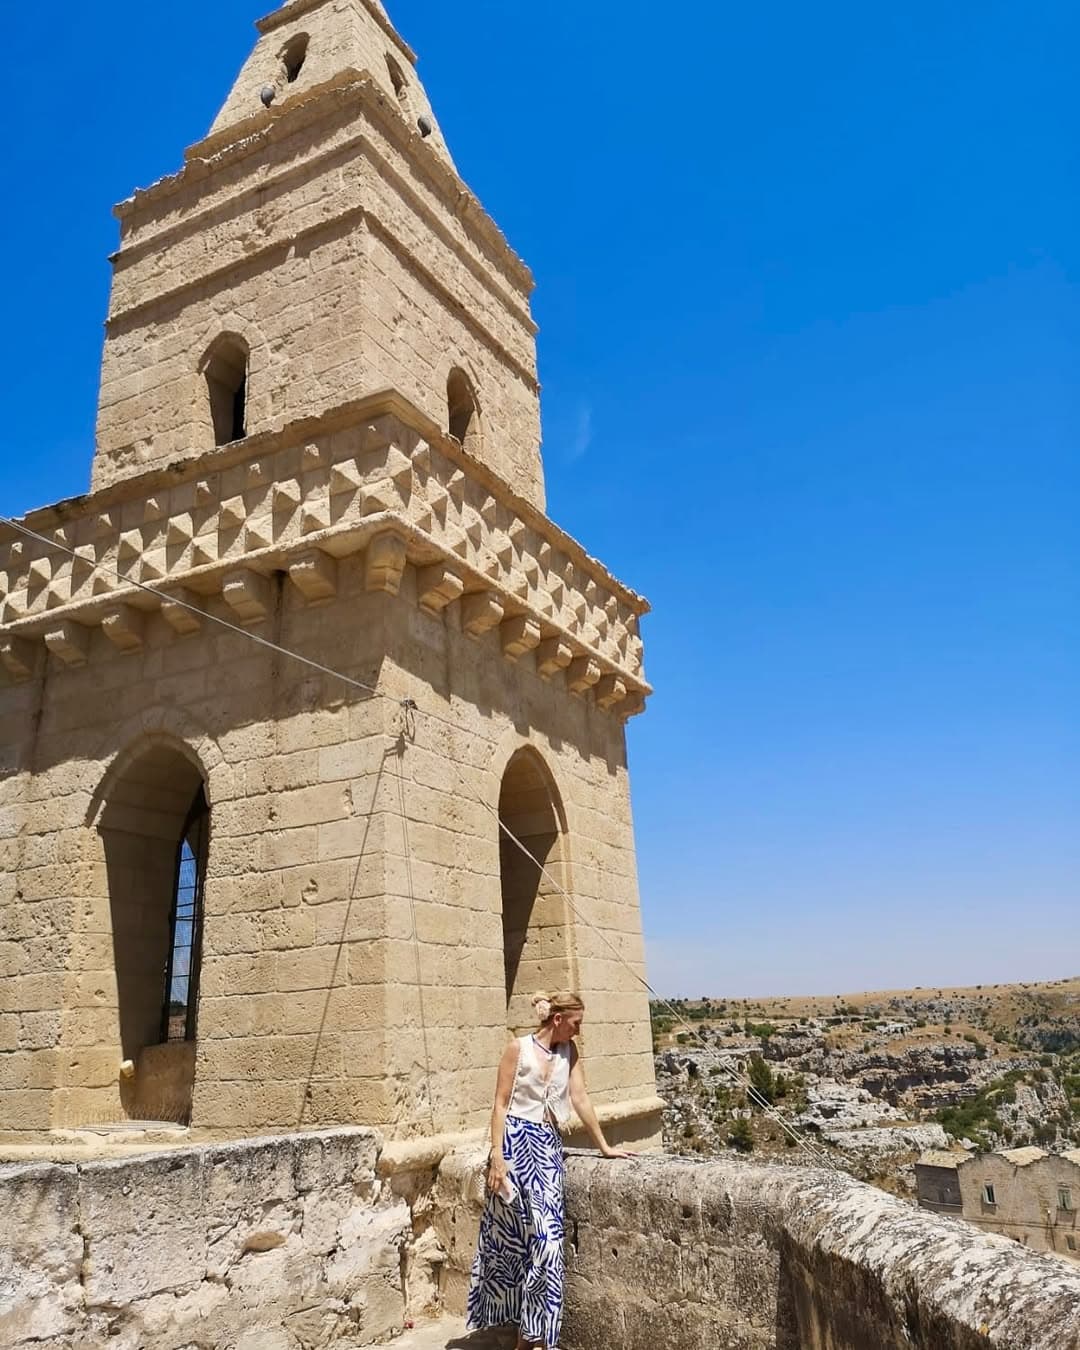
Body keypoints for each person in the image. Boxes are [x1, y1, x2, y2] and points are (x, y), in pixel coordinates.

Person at [465, 990, 630, 1350]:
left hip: (547, 1149)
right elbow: (500, 1104)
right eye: (576, 1024)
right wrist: (497, 1157)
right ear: (558, 1019)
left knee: (549, 1245)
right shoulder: (517, 1048)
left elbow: (580, 1098)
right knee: (520, 1246)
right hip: (514, 1147)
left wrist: (603, 1145)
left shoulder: (569, 1052)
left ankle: (533, 1339)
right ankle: (528, 1338)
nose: (578, 1031)